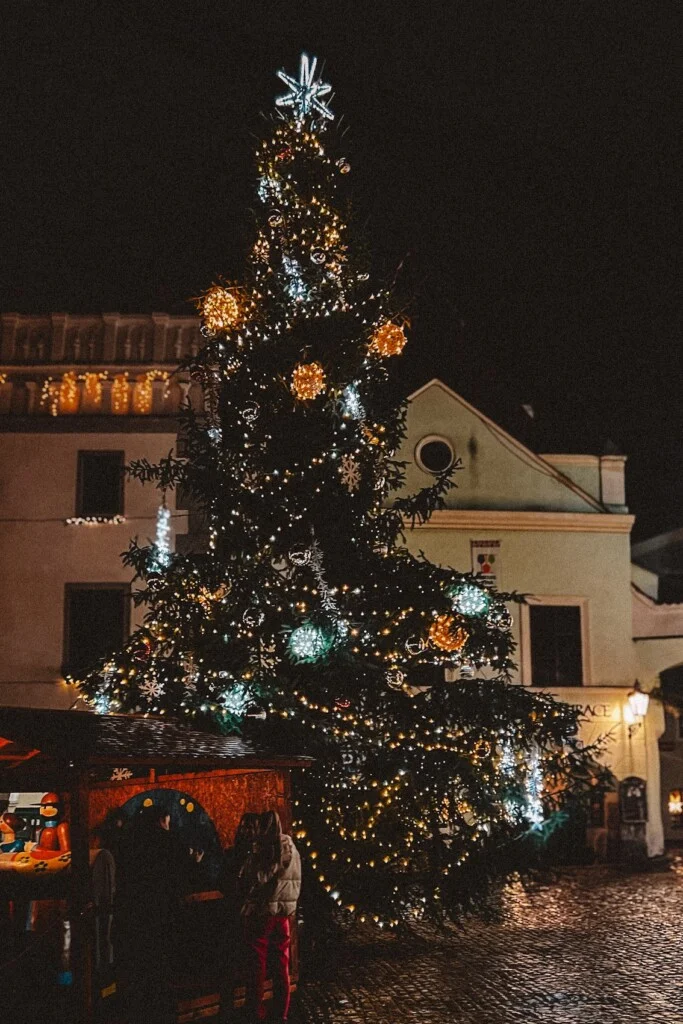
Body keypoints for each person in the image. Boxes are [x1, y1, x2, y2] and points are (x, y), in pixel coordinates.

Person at [115, 805, 204, 1024]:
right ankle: (161, 1007)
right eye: (168, 819)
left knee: (142, 962)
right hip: (165, 909)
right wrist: (196, 862)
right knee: (163, 960)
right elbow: (184, 874)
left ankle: (140, 1007)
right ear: (162, 819)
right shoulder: (171, 841)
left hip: (136, 911)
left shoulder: (132, 841)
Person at [240, 810, 301, 1024]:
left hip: (263, 913)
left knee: (257, 966)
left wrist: (250, 863)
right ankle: (281, 1013)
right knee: (281, 966)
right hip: (283, 915)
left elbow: (260, 877)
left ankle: (254, 1013)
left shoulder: (269, 848)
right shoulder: (291, 847)